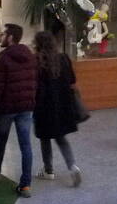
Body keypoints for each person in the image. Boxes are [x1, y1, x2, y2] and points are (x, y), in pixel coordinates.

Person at [0, 23, 38, 198]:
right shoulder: (30, 56)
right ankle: (26, 185)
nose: (0, 37)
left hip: (6, 108)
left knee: (1, 140)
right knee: (26, 145)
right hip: (25, 107)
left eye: (2, 35)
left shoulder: (3, 59)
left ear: (10, 37)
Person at [32, 30, 82, 187]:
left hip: (43, 107)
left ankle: (48, 170)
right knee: (61, 138)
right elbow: (72, 80)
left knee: (44, 138)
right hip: (62, 106)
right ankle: (72, 166)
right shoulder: (64, 59)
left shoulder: (36, 62)